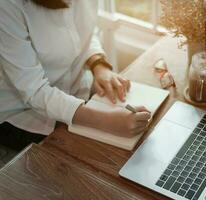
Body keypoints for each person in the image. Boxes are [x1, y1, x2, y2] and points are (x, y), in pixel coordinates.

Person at [0, 0, 151, 151]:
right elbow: (35, 90)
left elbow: (80, 31)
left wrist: (98, 64)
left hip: (78, 92)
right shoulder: (7, 6)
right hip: (22, 115)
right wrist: (106, 120)